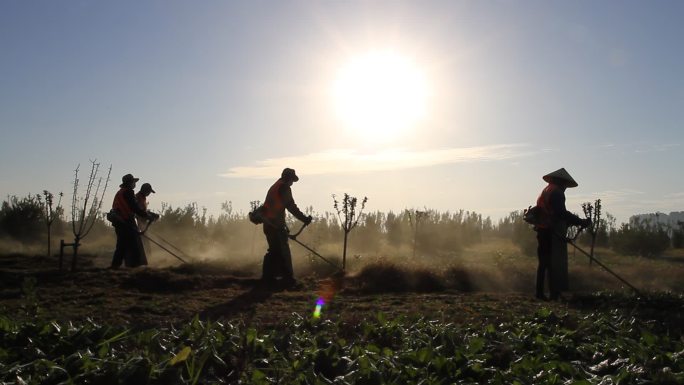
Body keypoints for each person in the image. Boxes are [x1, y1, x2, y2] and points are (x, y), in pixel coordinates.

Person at [534, 168, 591, 300]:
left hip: (542, 229)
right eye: (565, 184)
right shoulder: (557, 192)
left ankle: (541, 293)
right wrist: (580, 221)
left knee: (544, 263)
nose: (565, 187)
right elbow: (561, 213)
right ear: (562, 182)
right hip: (550, 232)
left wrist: (571, 222)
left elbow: (554, 213)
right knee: (553, 263)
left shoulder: (546, 190)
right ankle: (553, 293)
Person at [260, 168, 312, 287]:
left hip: (269, 224)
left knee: (273, 251)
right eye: (292, 180)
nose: (292, 183)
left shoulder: (275, 186)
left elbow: (277, 209)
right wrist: (304, 219)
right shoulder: (284, 187)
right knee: (283, 252)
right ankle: (288, 280)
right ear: (288, 178)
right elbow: (291, 207)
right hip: (274, 226)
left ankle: (268, 279)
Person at [110, 174, 154, 268]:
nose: (135, 184)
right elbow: (134, 208)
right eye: (134, 182)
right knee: (134, 245)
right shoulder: (128, 192)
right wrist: (147, 216)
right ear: (130, 183)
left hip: (120, 222)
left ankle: (116, 266)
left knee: (122, 246)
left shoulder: (121, 192)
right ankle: (134, 267)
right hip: (125, 221)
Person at [135, 182, 159, 260]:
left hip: (142, 222)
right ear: (146, 190)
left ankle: (147, 258)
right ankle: (146, 259)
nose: (149, 194)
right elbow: (138, 211)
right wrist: (149, 216)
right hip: (138, 222)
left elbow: (143, 210)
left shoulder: (142, 197)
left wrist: (152, 214)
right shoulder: (138, 197)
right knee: (143, 242)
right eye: (149, 192)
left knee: (145, 241)